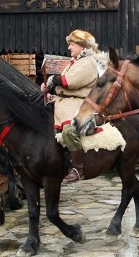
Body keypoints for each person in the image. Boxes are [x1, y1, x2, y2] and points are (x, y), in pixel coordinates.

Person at [40, 30, 104, 183]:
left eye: (72, 44)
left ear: (82, 46)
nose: (69, 47)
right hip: (63, 103)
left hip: (79, 105)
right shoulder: (74, 62)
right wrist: (49, 91)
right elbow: (61, 84)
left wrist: (53, 80)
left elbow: (70, 81)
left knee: (70, 131)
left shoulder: (88, 62)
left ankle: (78, 169)